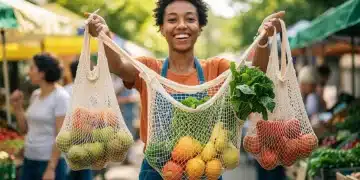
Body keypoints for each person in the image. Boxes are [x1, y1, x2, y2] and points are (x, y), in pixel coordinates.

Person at [87, 1, 285, 179]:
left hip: (206, 169)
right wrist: (105, 36)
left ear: (199, 27)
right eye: (172, 20)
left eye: (190, 19)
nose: (181, 25)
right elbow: (119, 66)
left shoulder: (217, 69)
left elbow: (255, 74)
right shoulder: (149, 69)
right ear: (162, 28)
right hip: (158, 171)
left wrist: (263, 39)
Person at [10, 53, 69, 180]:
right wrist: (18, 108)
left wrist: (51, 168)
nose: (29, 72)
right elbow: (24, 129)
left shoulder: (61, 97)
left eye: (32, 68)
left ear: (42, 73)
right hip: (30, 159)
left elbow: (61, 135)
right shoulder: (35, 95)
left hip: (49, 163)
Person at [64, 59, 94, 180]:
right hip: (86, 140)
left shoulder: (64, 90)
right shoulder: (92, 92)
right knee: (84, 173)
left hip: (67, 140)